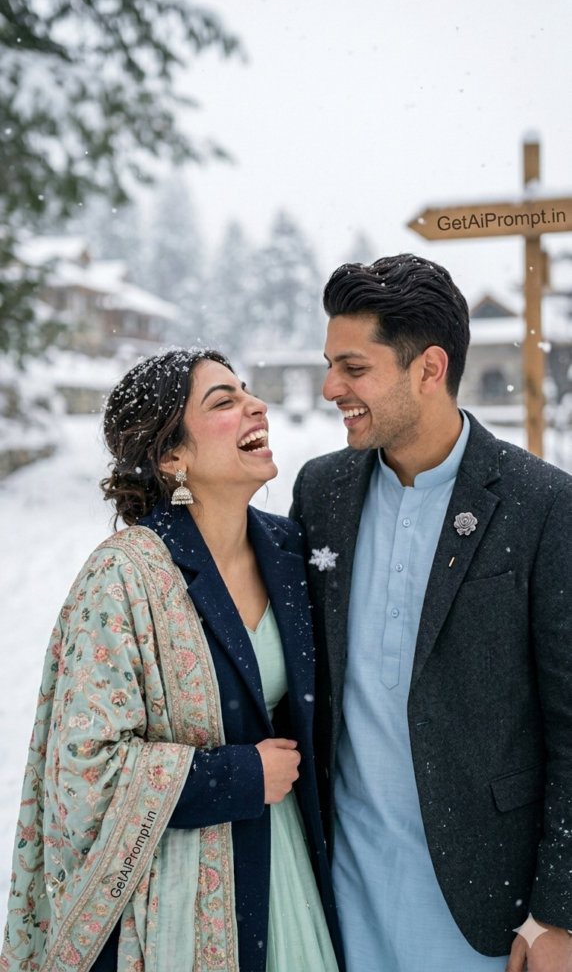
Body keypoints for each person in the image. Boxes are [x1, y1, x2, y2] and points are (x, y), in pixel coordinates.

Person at [2, 347, 343, 972]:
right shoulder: (122, 577)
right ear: (171, 458)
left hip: (289, 870)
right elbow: (84, 772)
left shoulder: (290, 549)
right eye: (224, 401)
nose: (256, 405)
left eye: (247, 390)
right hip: (174, 909)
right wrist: (240, 776)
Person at [289, 254, 572, 972]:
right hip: (342, 900)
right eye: (330, 365)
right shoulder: (321, 492)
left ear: (430, 368)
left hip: (487, 913)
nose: (331, 388)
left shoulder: (543, 505)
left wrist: (557, 912)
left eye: (354, 368)